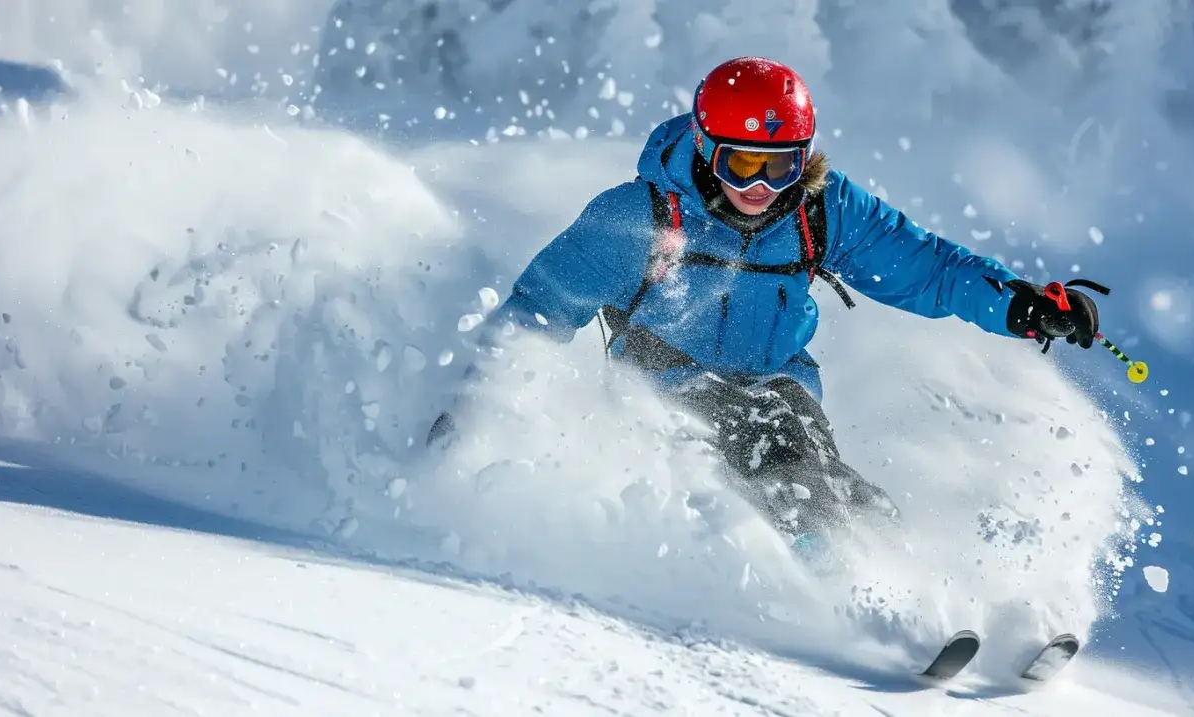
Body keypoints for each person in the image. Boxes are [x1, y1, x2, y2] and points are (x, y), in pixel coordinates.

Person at [436, 56, 1102, 553]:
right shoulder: (639, 217)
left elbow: (927, 267)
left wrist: (1019, 305)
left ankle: (912, 581)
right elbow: (538, 308)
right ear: (706, 147)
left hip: (778, 378)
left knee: (831, 477)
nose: (759, 187)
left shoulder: (822, 209)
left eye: (779, 167)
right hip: (664, 380)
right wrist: (476, 405)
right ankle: (835, 581)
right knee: (773, 453)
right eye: (742, 165)